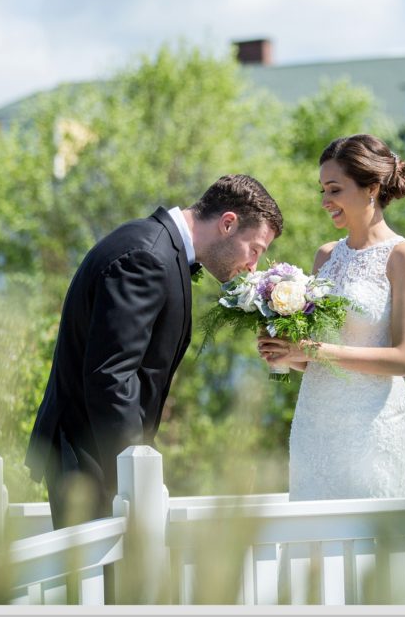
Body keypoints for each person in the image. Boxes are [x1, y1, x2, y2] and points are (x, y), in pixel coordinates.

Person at [26, 175, 283, 529]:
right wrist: (135, 474)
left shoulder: (157, 247)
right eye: (255, 249)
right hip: (92, 463)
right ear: (228, 223)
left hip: (99, 458)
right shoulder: (146, 257)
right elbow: (111, 378)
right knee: (106, 585)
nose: (254, 265)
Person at [258, 134, 405, 501]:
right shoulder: (325, 257)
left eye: (334, 189)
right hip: (315, 422)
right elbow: (321, 358)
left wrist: (314, 350)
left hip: (372, 426)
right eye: (322, 190)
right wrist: (290, 355)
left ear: (371, 188)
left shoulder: (404, 257)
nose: (325, 202)